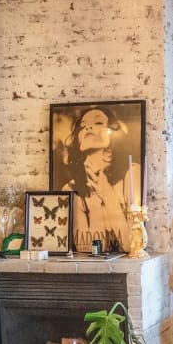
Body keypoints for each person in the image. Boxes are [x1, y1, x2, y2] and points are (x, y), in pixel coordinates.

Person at [61, 105, 138, 253]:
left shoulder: (131, 173)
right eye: (83, 126)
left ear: (112, 133)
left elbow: (131, 246)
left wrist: (106, 194)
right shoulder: (70, 189)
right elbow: (85, 247)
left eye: (97, 123)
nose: (88, 128)